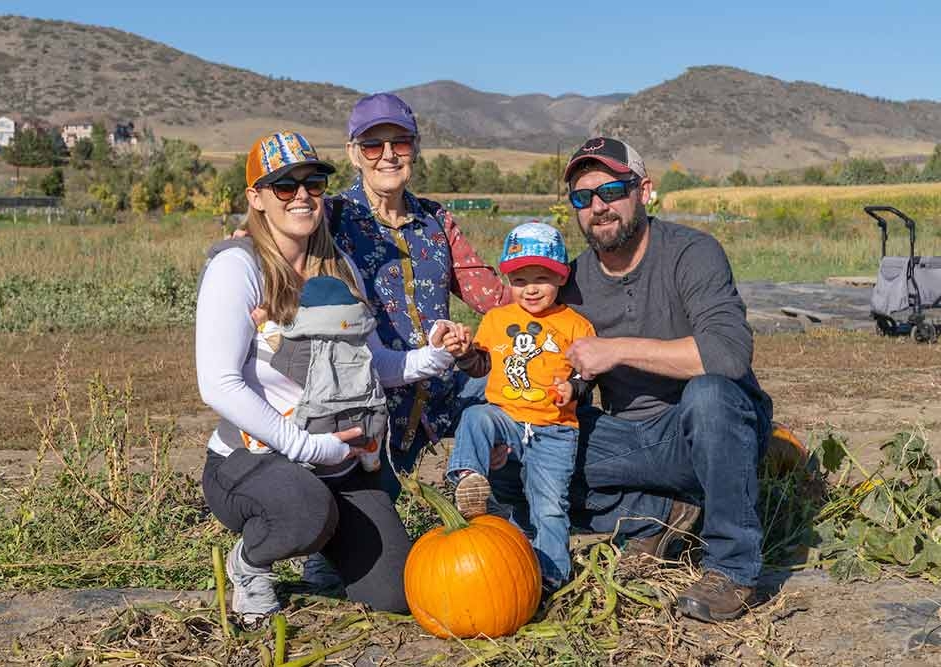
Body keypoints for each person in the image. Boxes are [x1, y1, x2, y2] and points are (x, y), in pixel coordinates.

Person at [195, 131, 456, 623]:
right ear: (256, 197)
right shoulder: (238, 267)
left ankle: (324, 551)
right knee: (304, 509)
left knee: (395, 594)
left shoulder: (341, 268)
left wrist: (434, 357)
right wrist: (306, 447)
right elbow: (218, 384)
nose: (302, 196)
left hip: (337, 465)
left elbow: (371, 366)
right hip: (254, 461)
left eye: (313, 183)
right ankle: (249, 566)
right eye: (284, 186)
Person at [550, 136, 774, 622]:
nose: (598, 207)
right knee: (525, 448)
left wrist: (616, 350)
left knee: (710, 395)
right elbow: (576, 371)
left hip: (707, 433)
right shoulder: (571, 281)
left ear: (644, 191)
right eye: (583, 197)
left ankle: (731, 568)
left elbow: (728, 354)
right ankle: (655, 514)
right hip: (630, 441)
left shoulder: (693, 253)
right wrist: (564, 385)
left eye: (611, 191)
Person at [332, 92, 512, 496]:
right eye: (373, 145)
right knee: (374, 522)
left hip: (442, 394)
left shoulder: (435, 219)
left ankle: (495, 495)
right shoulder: (332, 217)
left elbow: (491, 296)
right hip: (371, 404)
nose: (388, 155)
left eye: (400, 143)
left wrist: (557, 303)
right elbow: (275, 236)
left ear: (414, 148)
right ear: (353, 153)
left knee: (526, 376)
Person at [441, 222, 595, 590]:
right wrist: (465, 355)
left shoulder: (576, 325)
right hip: (506, 419)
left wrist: (574, 388)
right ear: (508, 280)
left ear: (561, 277)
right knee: (476, 415)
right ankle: (468, 478)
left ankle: (551, 576)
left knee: (549, 506)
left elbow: (589, 374)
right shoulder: (497, 319)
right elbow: (481, 366)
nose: (531, 289)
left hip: (554, 431)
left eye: (542, 278)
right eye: (520, 280)